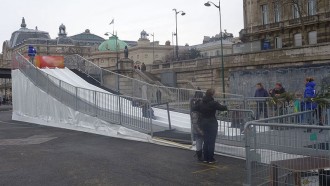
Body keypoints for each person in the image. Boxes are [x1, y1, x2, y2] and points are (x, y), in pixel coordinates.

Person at [193, 88, 227, 164]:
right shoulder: (213, 103)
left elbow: (194, 108)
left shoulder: (201, 102)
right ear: (212, 94)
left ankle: (205, 158)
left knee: (205, 141)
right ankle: (210, 158)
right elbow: (223, 108)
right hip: (211, 123)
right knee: (211, 142)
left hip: (203, 123)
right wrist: (225, 106)